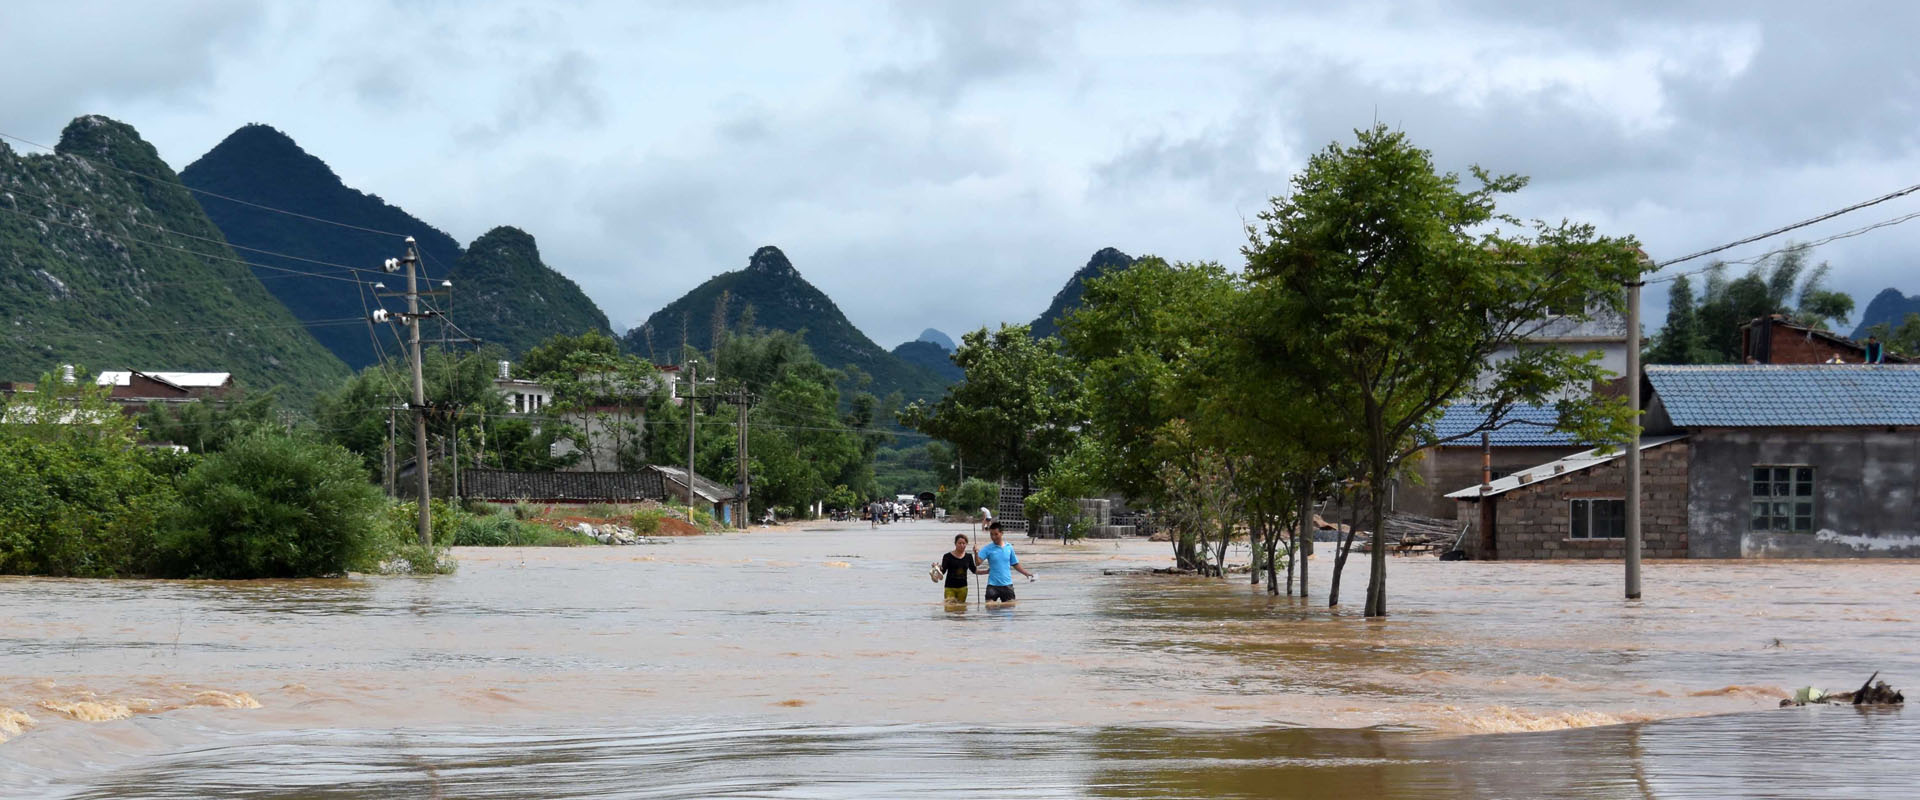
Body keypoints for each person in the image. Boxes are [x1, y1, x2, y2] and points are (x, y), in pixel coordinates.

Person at [977, 521, 1035, 603]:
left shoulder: (1009, 547)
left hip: (1007, 585)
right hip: (992, 586)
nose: (993, 537)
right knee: (989, 609)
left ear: (1001, 533)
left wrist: (1026, 573)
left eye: (996, 534)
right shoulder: (987, 549)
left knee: (1009, 610)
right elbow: (977, 563)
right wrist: (976, 553)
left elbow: (1015, 564)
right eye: (991, 534)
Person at [932, 533, 983, 605]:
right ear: (955, 544)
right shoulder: (947, 556)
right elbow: (942, 572)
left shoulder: (969, 556)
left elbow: (974, 570)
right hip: (949, 587)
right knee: (949, 609)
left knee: (961, 610)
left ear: (966, 544)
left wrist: (988, 571)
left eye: (964, 543)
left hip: (963, 588)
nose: (962, 545)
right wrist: (936, 568)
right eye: (959, 543)